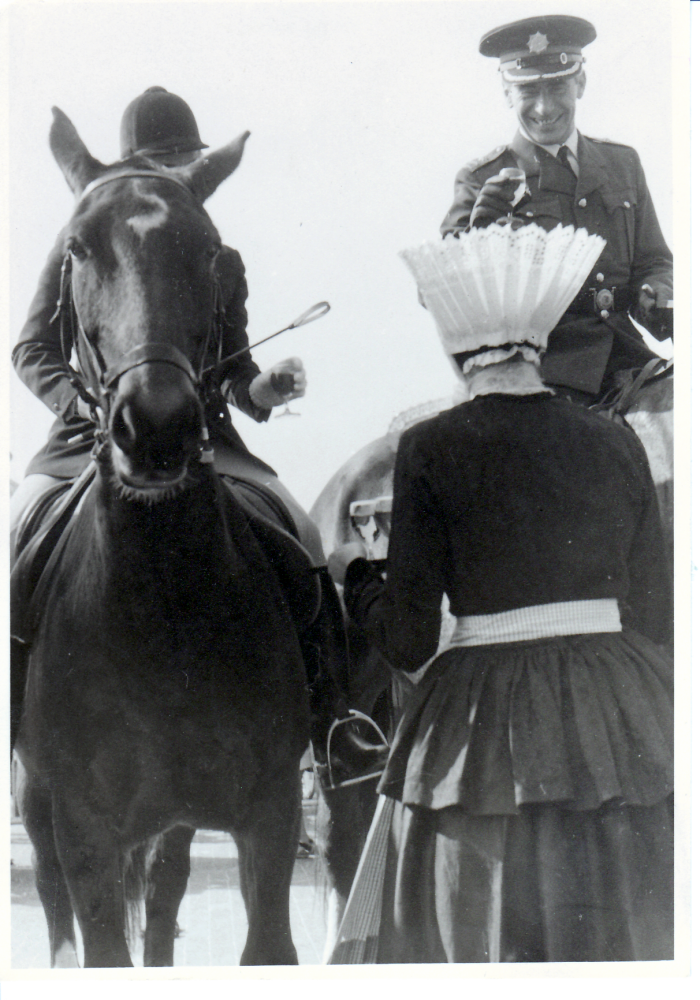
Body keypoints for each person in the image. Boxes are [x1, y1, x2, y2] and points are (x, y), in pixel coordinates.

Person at [11, 87, 380, 781]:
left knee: (300, 534)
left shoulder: (218, 257)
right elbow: (31, 350)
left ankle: (335, 723)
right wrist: (84, 406)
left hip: (207, 442)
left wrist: (263, 390)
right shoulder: (81, 241)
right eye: (166, 165)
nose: (178, 183)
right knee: (13, 548)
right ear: (135, 169)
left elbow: (236, 368)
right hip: (80, 442)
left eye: (187, 168)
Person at [328, 227, 673, 962]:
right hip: (620, 718)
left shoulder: (429, 446)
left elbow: (412, 639)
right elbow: (658, 612)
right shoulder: (617, 440)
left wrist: (357, 579)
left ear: (456, 355)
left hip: (481, 733)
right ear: (539, 350)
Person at [439, 14, 673, 404]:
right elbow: (440, 292)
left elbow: (654, 260)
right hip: (540, 377)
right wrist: (478, 238)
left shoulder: (622, 163)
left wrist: (657, 293)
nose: (544, 108)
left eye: (557, 86)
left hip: (630, 361)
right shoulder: (482, 178)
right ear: (506, 92)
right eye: (528, 91)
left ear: (580, 82)